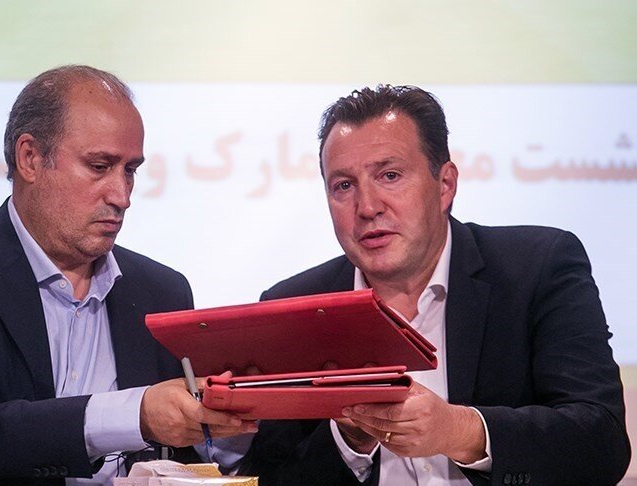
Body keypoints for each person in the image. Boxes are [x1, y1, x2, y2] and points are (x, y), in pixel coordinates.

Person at [0, 65, 255, 485]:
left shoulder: (161, 290)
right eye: (99, 166)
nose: (122, 196)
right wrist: (136, 415)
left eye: (130, 170)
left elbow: (189, 454)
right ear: (30, 158)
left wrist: (233, 421)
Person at [240, 85, 630, 485]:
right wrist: (349, 440)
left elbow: (601, 442)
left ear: (445, 185)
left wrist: (459, 431)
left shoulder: (537, 268)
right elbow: (265, 476)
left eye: (390, 176)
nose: (368, 207)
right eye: (344, 185)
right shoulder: (294, 305)